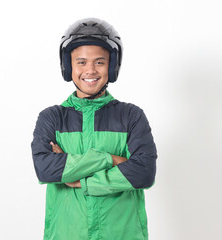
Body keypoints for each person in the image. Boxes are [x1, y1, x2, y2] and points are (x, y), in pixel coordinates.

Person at [31, 17, 157, 240]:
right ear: (69, 66)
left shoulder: (131, 116)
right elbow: (46, 170)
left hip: (121, 234)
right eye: (81, 62)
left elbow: (143, 173)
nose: (90, 70)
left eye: (99, 62)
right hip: (67, 234)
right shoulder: (51, 118)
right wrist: (109, 158)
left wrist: (80, 181)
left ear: (112, 66)